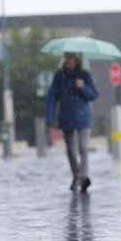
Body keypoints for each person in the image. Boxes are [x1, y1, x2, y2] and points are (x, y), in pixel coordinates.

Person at [47, 52, 99, 193]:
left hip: (83, 116)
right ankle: (76, 175)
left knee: (83, 147)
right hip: (66, 116)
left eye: (71, 59)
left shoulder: (85, 75)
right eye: (67, 59)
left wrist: (82, 87)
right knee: (70, 149)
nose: (69, 61)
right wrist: (50, 117)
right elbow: (52, 97)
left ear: (76, 60)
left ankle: (82, 177)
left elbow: (94, 95)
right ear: (63, 60)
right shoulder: (59, 76)